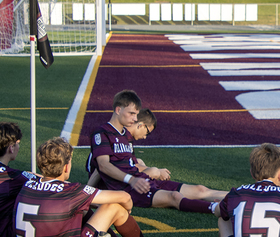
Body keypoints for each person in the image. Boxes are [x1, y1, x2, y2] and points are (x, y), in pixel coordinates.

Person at [15, 137, 177, 237]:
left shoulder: (28, 184)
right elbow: (125, 197)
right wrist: (125, 211)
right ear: (66, 166)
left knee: (82, 207)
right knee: (114, 207)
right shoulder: (73, 191)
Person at [90, 91, 222, 215]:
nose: (135, 118)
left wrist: (143, 174)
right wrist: (88, 193)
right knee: (174, 196)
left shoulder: (126, 136)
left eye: (136, 114)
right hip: (128, 188)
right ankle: (217, 209)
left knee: (200, 189)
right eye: (132, 113)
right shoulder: (102, 133)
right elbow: (103, 166)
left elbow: (132, 164)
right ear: (118, 110)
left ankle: (238, 195)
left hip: (141, 180)